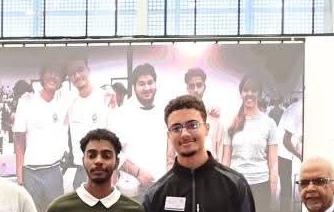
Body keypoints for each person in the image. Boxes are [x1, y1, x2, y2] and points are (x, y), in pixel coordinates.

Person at [222, 75, 280, 212]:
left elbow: (273, 163)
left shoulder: (269, 124)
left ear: (259, 94)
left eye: (254, 90)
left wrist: (273, 192)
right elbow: (225, 161)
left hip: (261, 185)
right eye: (246, 90)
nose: (250, 94)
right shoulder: (232, 123)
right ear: (241, 93)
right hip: (236, 185)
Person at [13, 64, 70, 212]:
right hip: (31, 172)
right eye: (50, 72)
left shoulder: (64, 101)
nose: (53, 77)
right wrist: (20, 180)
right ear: (42, 76)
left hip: (54, 171)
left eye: (58, 74)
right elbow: (18, 143)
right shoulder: (26, 101)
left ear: (61, 80)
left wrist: (110, 96)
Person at [110, 63, 171, 199]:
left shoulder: (165, 110)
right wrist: (138, 172)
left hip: (161, 185)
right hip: (132, 189)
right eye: (141, 84)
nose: (147, 88)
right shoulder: (121, 114)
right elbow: (112, 152)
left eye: (150, 82)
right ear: (134, 86)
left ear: (156, 83)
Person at [64, 57, 115, 190]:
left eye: (80, 70)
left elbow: (115, 137)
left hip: (103, 168)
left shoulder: (106, 97)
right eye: (72, 73)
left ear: (88, 70)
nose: (77, 76)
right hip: (81, 171)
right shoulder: (69, 102)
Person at [183, 67, 225, 159]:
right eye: (192, 86)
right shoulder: (180, 117)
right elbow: (171, 155)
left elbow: (220, 148)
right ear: (188, 88)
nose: (195, 90)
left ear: (204, 87)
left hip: (211, 171)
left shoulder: (214, 117)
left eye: (199, 85)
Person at [277, 97, 303, 212]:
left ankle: (286, 211)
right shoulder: (298, 109)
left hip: (286, 150)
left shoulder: (298, 106)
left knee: (286, 183)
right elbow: (286, 141)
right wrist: (299, 155)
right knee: (286, 184)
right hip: (282, 151)